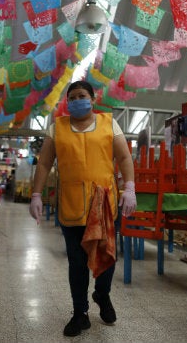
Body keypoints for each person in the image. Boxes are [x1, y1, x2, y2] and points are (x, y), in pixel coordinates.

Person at [29, 81, 136, 337]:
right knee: (77, 262)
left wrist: (129, 187)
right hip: (72, 205)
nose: (78, 100)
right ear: (67, 102)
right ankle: (80, 312)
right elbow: (44, 164)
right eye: (73, 97)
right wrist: (36, 194)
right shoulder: (57, 129)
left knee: (107, 255)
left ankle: (102, 294)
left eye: (82, 95)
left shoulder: (110, 123)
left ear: (93, 98)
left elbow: (123, 158)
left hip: (104, 204)